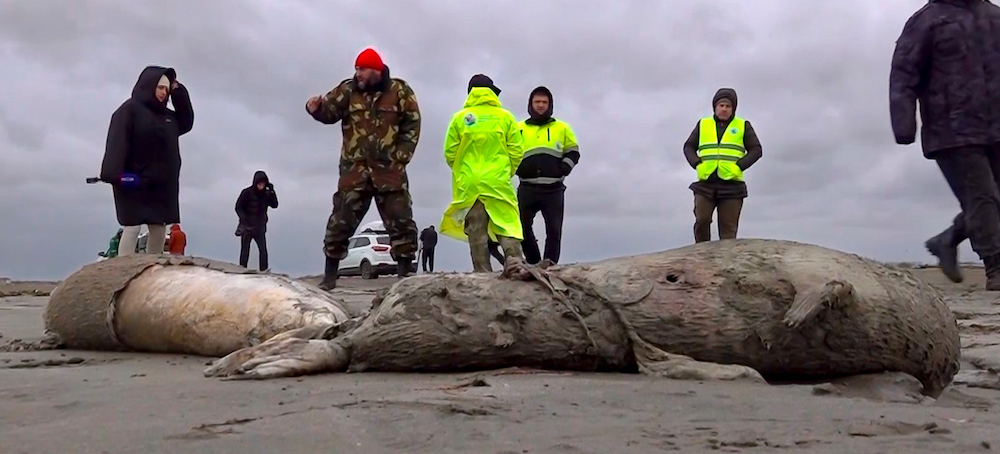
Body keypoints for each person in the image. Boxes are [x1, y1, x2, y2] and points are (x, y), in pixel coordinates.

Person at [890, 0, 1000, 290]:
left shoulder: (994, 16)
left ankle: (947, 240)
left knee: (991, 199)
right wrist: (904, 125)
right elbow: (903, 74)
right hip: (951, 128)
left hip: (997, 126)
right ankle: (996, 266)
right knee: (982, 197)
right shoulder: (928, 21)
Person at [306, 47, 421, 290]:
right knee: (341, 220)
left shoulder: (400, 91)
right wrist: (315, 108)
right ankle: (330, 276)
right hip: (354, 170)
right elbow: (329, 112)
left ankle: (404, 273)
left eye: (362, 69)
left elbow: (412, 122)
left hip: (389, 170)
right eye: (356, 69)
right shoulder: (347, 90)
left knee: (400, 219)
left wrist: (401, 156)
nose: (358, 73)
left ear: (376, 70)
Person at [99, 66, 194, 256]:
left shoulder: (168, 117)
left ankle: (153, 268)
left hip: (161, 184)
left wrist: (178, 90)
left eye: (166, 90)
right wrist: (114, 175)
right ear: (148, 85)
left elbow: (186, 121)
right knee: (132, 226)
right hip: (133, 180)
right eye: (160, 87)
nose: (163, 93)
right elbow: (117, 143)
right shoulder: (128, 110)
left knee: (158, 228)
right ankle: (123, 268)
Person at [440, 74, 528, 274]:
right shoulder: (505, 117)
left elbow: (450, 153)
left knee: (476, 230)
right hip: (497, 179)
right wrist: (507, 171)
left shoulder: (459, 118)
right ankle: (514, 262)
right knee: (507, 222)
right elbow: (517, 150)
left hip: (470, 182)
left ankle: (482, 273)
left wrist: (464, 172)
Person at [682, 88, 762, 243]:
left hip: (732, 185)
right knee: (702, 220)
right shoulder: (703, 124)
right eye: (721, 105)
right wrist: (697, 164)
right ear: (715, 107)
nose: (724, 109)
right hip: (706, 183)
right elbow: (688, 147)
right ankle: (701, 254)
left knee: (728, 230)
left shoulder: (743, 125)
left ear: (733, 109)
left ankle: (726, 263)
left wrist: (739, 166)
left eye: (728, 106)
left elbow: (756, 150)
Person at [515, 86, 580, 267]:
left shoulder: (562, 127)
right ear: (531, 104)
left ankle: (550, 265)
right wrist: (518, 168)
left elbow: (573, 151)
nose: (541, 105)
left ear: (550, 104)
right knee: (521, 228)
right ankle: (534, 262)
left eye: (544, 102)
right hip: (527, 188)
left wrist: (564, 168)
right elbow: (508, 153)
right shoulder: (518, 128)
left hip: (553, 189)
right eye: (537, 102)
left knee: (554, 231)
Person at [235, 171, 279, 271]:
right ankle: (241, 269)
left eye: (263, 183)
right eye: (259, 183)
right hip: (247, 227)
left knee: (263, 251)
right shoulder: (246, 193)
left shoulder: (266, 194)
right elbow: (238, 207)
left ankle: (264, 271)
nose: (261, 185)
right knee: (245, 251)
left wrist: (272, 191)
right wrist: (243, 219)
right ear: (255, 182)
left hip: (260, 228)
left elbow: (275, 205)